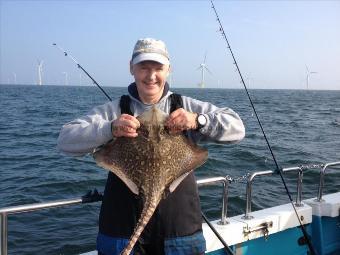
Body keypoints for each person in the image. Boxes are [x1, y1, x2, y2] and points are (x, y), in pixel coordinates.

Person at [57, 38, 245, 255]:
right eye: (144, 67)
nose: (151, 75)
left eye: (158, 68)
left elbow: (237, 128)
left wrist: (198, 120)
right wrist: (110, 129)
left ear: (168, 70)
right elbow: (65, 141)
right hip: (121, 230)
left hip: (179, 233)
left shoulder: (186, 106)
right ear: (131, 68)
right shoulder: (114, 110)